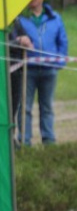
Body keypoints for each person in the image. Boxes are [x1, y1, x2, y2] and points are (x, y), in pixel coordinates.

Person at [15, 0, 68, 146]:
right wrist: (19, 41)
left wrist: (58, 62)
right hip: (27, 69)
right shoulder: (19, 19)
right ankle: (24, 141)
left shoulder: (55, 18)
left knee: (47, 107)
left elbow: (62, 42)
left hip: (48, 69)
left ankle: (49, 140)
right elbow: (11, 40)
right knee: (25, 107)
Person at [7, 17, 33, 146]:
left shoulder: (14, 20)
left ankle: (10, 138)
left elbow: (26, 38)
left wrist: (27, 42)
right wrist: (18, 42)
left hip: (16, 71)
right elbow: (4, 44)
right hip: (4, 71)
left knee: (13, 107)